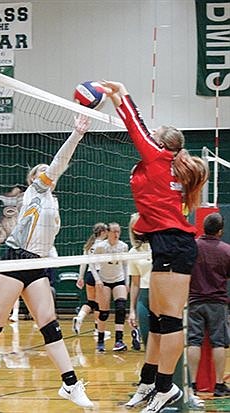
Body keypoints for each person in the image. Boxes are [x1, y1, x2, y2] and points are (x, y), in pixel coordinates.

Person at [0, 114, 94, 408]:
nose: (48, 172)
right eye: (42, 171)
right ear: (34, 179)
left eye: (48, 172)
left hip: (37, 265)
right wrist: (77, 133)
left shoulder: (52, 203)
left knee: (50, 326)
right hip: (15, 261)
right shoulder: (36, 190)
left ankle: (70, 384)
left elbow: (47, 241)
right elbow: (59, 163)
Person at [102, 81, 208, 412]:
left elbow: (136, 127)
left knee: (172, 319)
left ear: (161, 143)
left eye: (156, 134)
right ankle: (149, 382)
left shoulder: (159, 158)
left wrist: (121, 96)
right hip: (164, 243)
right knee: (160, 319)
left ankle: (167, 388)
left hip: (175, 244)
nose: (151, 135)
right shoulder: (162, 163)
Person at [187, 212, 230, 397]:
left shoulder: (192, 247)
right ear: (220, 231)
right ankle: (219, 385)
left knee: (193, 341)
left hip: (195, 301)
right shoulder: (226, 250)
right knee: (218, 343)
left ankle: (193, 385)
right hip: (218, 302)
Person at [90, 222, 129, 352]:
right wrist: (97, 280)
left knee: (121, 308)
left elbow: (125, 265)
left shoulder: (123, 246)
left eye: (118, 232)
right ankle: (100, 341)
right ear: (108, 233)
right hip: (104, 281)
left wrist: (127, 282)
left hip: (119, 279)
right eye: (114, 232)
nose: (117, 234)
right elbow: (91, 263)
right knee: (104, 313)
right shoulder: (100, 247)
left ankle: (119, 340)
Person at [72, 222, 109, 336]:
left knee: (91, 302)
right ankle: (98, 329)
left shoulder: (89, 245)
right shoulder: (104, 245)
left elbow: (84, 263)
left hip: (89, 274)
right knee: (99, 304)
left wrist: (80, 277)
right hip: (99, 274)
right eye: (106, 231)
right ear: (102, 232)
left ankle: (79, 318)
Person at [128, 213, 152, 350]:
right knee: (147, 339)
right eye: (134, 227)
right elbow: (135, 283)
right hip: (144, 297)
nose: (137, 230)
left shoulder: (159, 246)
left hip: (160, 294)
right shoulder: (133, 252)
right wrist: (132, 310)